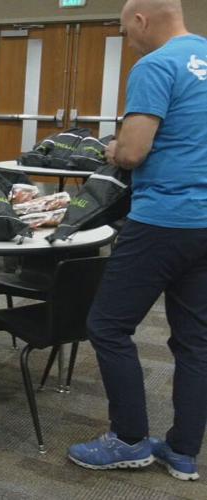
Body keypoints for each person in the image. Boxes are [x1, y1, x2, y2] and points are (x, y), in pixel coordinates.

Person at [68, 0, 207, 482]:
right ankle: (184, 452)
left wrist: (113, 147)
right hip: (205, 223)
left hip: (162, 220)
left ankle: (128, 440)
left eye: (128, 31)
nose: (130, 41)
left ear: (142, 20)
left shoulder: (156, 64)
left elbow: (131, 151)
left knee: (107, 326)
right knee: (195, 343)